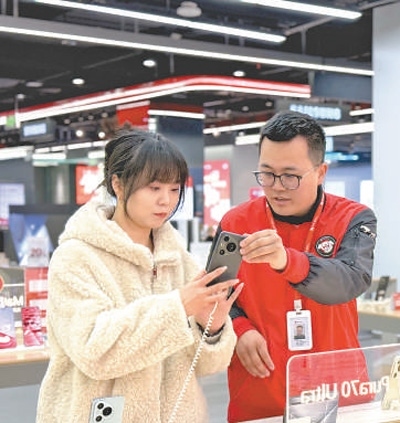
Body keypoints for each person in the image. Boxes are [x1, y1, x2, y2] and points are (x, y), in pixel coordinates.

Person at [36, 129, 243, 423]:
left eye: (174, 189)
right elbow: (94, 352)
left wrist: (211, 326)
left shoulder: (178, 259)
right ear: (118, 185)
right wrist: (178, 307)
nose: (165, 201)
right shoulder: (76, 257)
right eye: (154, 188)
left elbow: (208, 366)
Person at [215, 110, 377, 422]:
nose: (277, 186)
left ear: (321, 172)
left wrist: (287, 260)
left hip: (339, 393)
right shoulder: (235, 222)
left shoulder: (354, 218)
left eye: (290, 176)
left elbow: (350, 280)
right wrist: (239, 328)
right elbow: (216, 291)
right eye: (267, 174)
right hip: (260, 395)